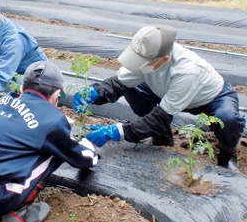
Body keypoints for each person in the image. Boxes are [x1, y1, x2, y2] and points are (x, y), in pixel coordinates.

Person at [73, 25, 246, 171]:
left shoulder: (186, 71)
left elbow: (159, 118)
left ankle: (228, 154)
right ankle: (162, 139)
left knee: (227, 118)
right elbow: (118, 83)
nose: (138, 64)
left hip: (210, 98)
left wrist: (117, 131)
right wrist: (93, 93)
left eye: (143, 62)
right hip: (167, 91)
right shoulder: (148, 56)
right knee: (133, 89)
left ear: (164, 59)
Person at [0, 61, 98, 222]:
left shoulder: (4, 100)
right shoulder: (52, 119)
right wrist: (90, 149)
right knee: (54, 152)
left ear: (22, 89)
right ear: (56, 95)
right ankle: (16, 213)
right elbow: (80, 159)